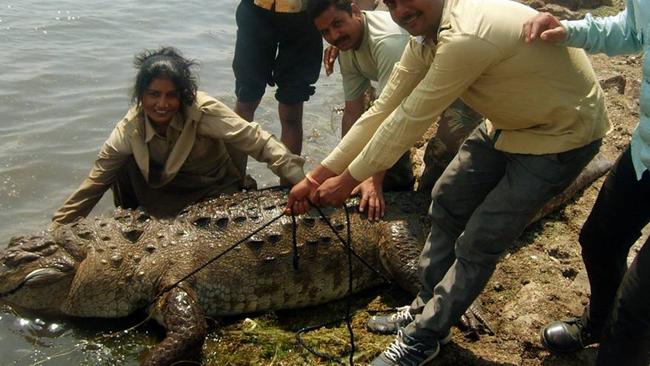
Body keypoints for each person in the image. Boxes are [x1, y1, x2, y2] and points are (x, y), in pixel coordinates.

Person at [285, 0, 610, 364]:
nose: (399, 10)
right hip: (508, 122)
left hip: (560, 134)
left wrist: (349, 180)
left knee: (481, 239)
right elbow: (383, 108)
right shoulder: (425, 34)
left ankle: (425, 336)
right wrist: (317, 175)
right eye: (390, 2)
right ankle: (425, 304)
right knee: (446, 198)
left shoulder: (464, 34)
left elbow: (410, 117)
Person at [523, 3, 649, 365]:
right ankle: (599, 322)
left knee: (637, 306)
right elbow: (630, 29)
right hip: (645, 152)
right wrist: (570, 31)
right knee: (599, 241)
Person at [52, 47, 305, 225]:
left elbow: (258, 141)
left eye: (171, 95)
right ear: (141, 96)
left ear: (182, 95)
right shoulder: (130, 128)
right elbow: (94, 184)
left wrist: (301, 183)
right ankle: (132, 222)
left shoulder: (202, 110)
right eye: (154, 94)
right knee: (117, 164)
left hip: (213, 193)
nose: (162, 104)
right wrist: (56, 229)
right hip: (158, 200)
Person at [308, 0, 482, 220]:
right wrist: (343, 171)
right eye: (326, 32)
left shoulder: (387, 42)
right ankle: (401, 188)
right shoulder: (345, 45)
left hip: (460, 77)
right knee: (374, 139)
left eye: (338, 23)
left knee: (443, 149)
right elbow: (353, 113)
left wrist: (371, 178)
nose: (334, 35)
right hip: (417, 82)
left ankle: (431, 210)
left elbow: (394, 114)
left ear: (354, 11)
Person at [232, 0, 323, 164]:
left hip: (303, 18)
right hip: (256, 11)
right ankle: (234, 178)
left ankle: (289, 183)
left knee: (292, 108)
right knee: (246, 99)